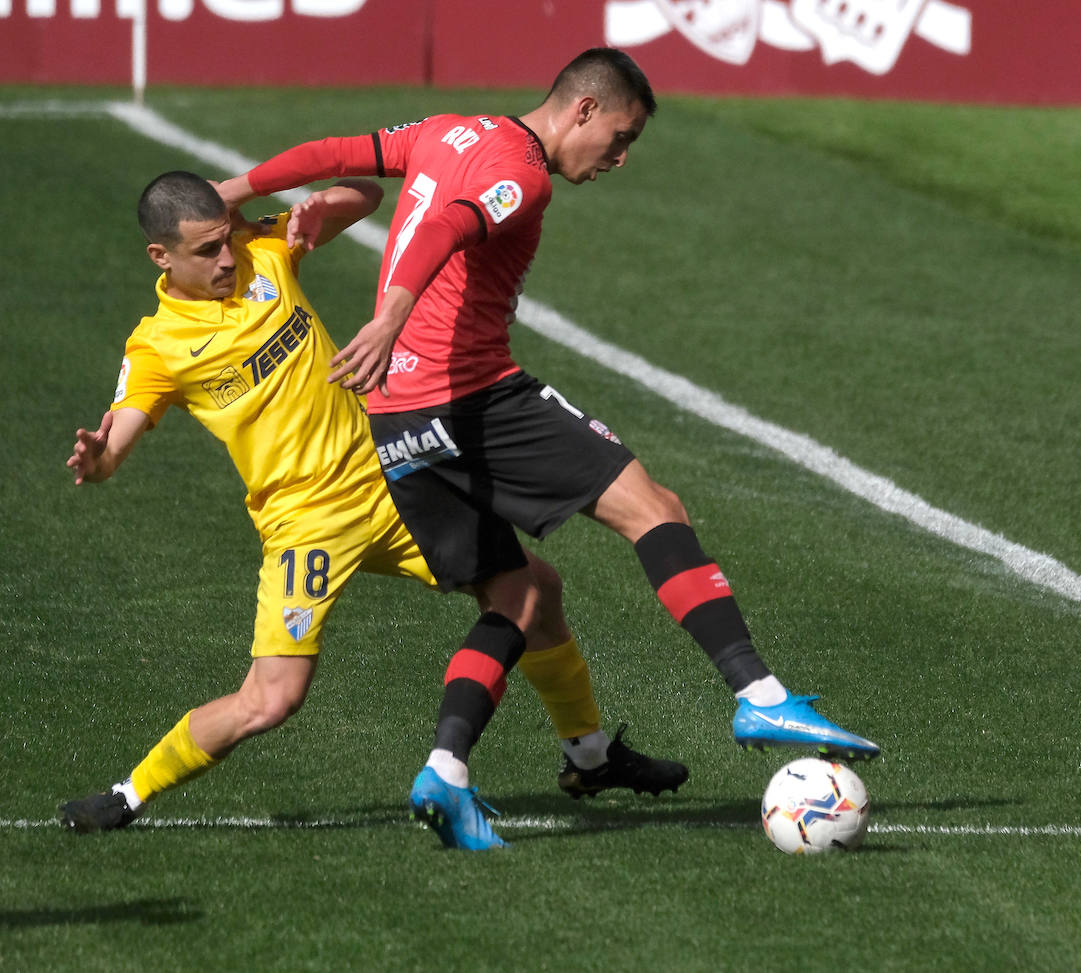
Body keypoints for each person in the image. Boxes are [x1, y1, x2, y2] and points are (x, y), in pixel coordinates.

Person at [217, 47, 878, 852]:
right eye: (621, 137)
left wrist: (233, 191)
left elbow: (337, 154)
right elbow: (457, 223)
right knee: (655, 509)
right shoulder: (520, 175)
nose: (621, 159)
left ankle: (455, 771)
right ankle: (759, 691)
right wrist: (391, 314)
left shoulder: (446, 129)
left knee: (523, 597)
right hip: (470, 398)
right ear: (584, 111)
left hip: (395, 419)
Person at [58, 170, 687, 836]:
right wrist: (99, 462)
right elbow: (116, 439)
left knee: (534, 587)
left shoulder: (263, 252)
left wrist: (276, 205)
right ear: (161, 256)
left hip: (392, 485)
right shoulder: (157, 346)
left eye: (225, 240)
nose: (224, 259)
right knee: (272, 700)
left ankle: (587, 757)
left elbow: (368, 196)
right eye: (206, 249)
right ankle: (128, 794)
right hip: (305, 525)